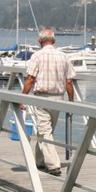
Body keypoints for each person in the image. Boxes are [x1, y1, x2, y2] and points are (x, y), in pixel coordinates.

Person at [21, 27, 76, 176]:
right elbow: (69, 82)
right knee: (46, 130)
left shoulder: (37, 56)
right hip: (58, 98)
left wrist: (22, 98)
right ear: (54, 40)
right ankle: (39, 161)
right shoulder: (63, 56)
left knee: (45, 131)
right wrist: (71, 101)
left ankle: (53, 166)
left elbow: (30, 79)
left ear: (40, 41)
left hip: (43, 97)